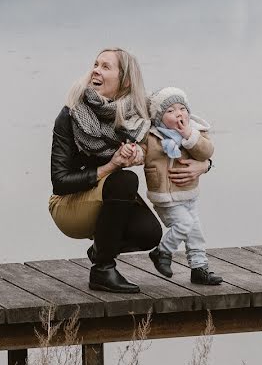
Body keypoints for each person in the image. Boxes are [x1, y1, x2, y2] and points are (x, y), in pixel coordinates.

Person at [49, 47, 162, 293]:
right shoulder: (71, 113)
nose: (95, 71)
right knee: (124, 179)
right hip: (68, 205)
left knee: (150, 234)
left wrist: (202, 165)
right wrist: (111, 165)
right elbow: (59, 181)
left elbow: (185, 134)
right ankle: (102, 269)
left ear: (126, 80)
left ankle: (101, 248)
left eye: (105, 67)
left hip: (104, 200)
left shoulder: (137, 113)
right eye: (96, 64)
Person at [142, 87, 223, 284]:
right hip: (166, 198)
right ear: (159, 118)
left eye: (182, 108)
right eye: (170, 111)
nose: (178, 113)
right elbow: (139, 152)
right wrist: (131, 152)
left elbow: (206, 153)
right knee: (184, 224)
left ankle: (199, 268)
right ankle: (162, 252)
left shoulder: (195, 131)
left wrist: (189, 136)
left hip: (189, 194)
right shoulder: (151, 137)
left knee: (195, 232)